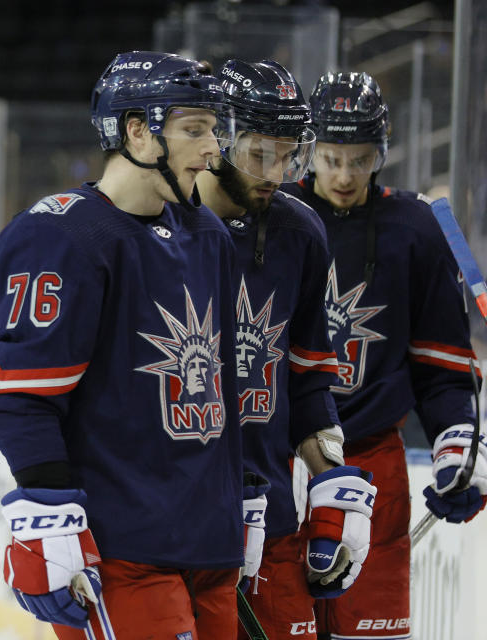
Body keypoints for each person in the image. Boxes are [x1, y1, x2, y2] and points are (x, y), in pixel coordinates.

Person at [0, 51, 244, 639]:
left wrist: (242, 494)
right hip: (120, 550)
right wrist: (47, 514)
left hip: (212, 546)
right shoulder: (61, 233)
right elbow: (19, 395)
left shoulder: (209, 235)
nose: (212, 150)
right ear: (138, 132)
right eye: (194, 129)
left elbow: (224, 386)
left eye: (213, 131)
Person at [281, 71, 484, 640]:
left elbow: (442, 366)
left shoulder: (417, 228)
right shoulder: (273, 218)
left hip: (373, 467)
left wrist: (457, 444)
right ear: (308, 151)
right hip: (280, 465)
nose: (345, 176)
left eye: (362, 159)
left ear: (382, 153)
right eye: (331, 158)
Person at [196, 59, 378, 639]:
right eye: (259, 153)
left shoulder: (300, 232)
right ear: (218, 138)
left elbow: (307, 373)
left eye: (289, 153)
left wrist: (329, 479)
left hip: (272, 519)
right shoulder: (160, 228)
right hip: (174, 527)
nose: (276, 171)